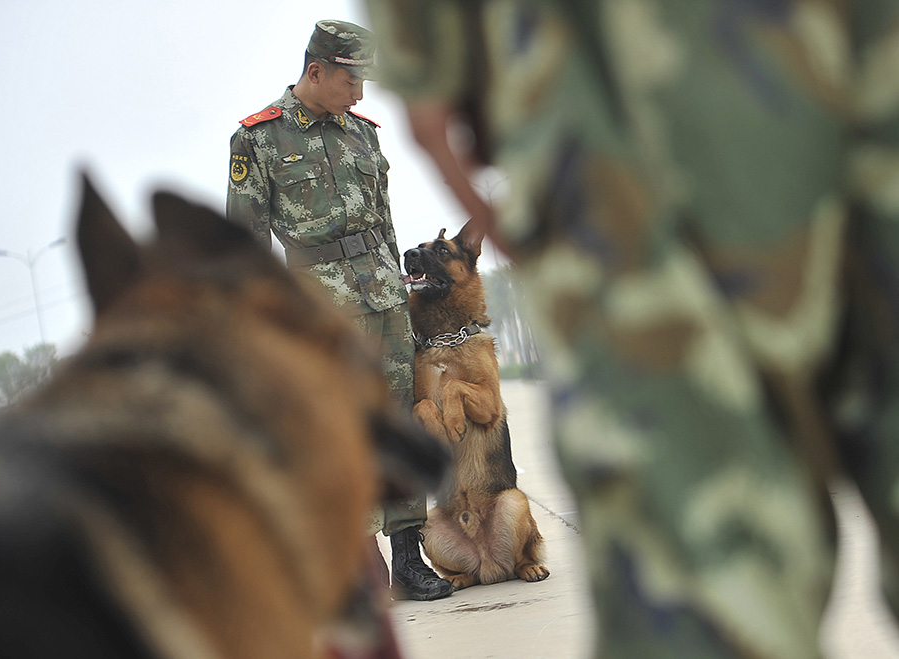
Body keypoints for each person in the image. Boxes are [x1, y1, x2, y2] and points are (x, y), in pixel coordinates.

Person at [366, 0, 899, 656]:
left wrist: (425, 68)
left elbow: (429, 104)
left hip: (605, 155)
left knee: (690, 557)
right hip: (841, 71)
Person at [225, 19, 454, 603]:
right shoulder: (258, 139)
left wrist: (401, 289)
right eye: (352, 82)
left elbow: (384, 221)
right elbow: (243, 248)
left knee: (398, 423)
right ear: (316, 71)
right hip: (322, 310)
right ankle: (362, 566)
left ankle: (410, 560)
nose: (360, 94)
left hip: (384, 300)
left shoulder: (363, 134)